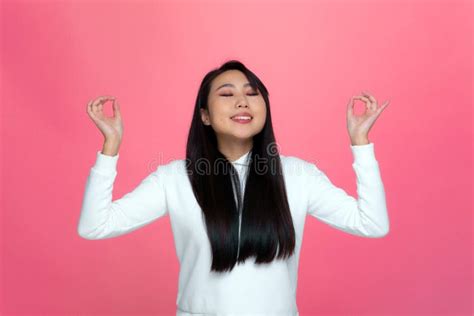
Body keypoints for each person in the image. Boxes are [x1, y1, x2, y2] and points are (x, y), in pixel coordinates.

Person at [78, 60, 390, 316]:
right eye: (226, 95)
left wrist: (360, 144)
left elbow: (372, 223)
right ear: (205, 116)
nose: (242, 101)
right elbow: (95, 226)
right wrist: (110, 147)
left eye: (252, 93)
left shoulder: (297, 175)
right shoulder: (175, 178)